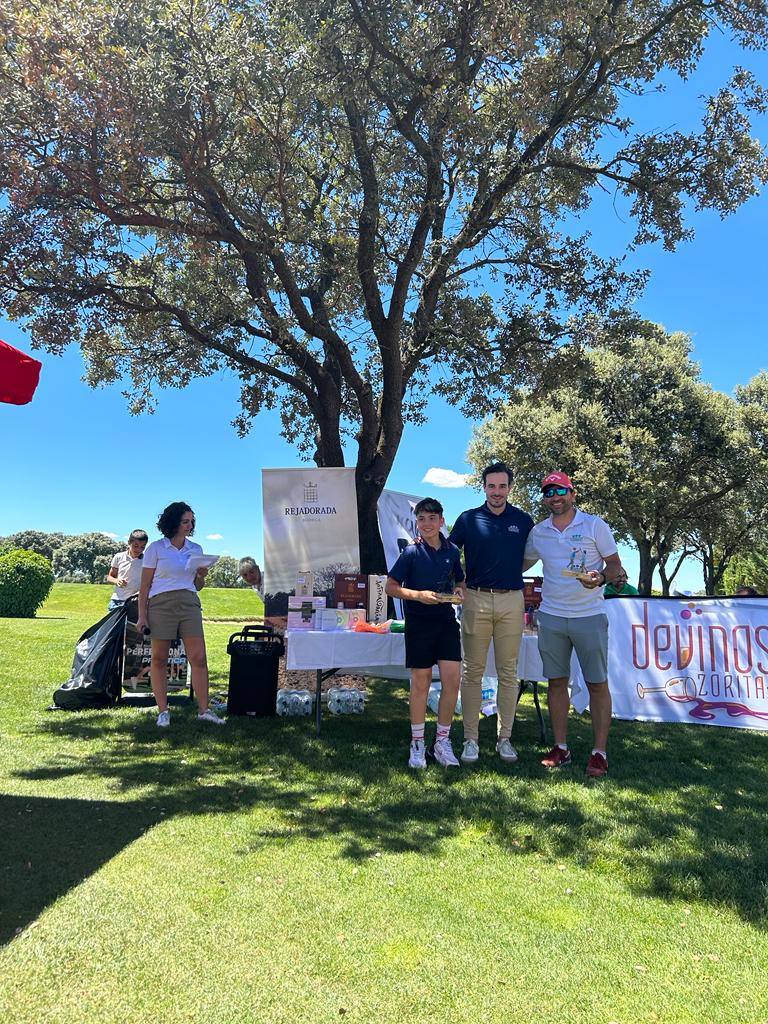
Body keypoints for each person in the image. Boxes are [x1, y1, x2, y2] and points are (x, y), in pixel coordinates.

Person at [523, 472, 624, 778]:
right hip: (551, 616)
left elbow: (615, 566)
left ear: (573, 493)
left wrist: (601, 578)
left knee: (596, 683)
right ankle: (561, 748)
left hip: (589, 616)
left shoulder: (594, 525)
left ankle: (599, 752)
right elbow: (520, 564)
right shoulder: (538, 532)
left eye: (560, 490)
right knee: (556, 682)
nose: (555, 496)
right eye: (548, 492)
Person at [449, 461, 534, 765]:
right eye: (491, 486)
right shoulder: (469, 519)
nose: (497, 492)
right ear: (483, 487)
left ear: (510, 487)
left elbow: (532, 556)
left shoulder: (524, 520)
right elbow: (449, 553)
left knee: (508, 673)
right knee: (472, 671)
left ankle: (505, 739)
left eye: (502, 486)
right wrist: (459, 582)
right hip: (476, 599)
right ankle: (470, 739)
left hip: (512, 601)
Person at [386, 498, 465, 769]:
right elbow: (391, 587)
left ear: (441, 520)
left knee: (452, 681)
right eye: (422, 519)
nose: (427, 524)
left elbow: (460, 580)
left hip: (446, 623)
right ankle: (417, 742)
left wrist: (459, 592)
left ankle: (442, 741)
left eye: (432, 518)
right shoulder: (410, 552)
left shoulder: (453, 551)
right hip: (418, 624)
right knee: (420, 682)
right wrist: (418, 595)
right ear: (416, 523)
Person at [137, 502, 224, 729]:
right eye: (185, 521)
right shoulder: (156, 548)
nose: (189, 525)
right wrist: (141, 616)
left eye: (192, 521)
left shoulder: (196, 549)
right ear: (173, 522)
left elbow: (198, 585)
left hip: (189, 603)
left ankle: (204, 711)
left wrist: (201, 575)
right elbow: (144, 586)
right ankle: (163, 711)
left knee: (198, 658)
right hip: (160, 604)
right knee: (159, 659)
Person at [106, 529, 148, 610]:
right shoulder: (119, 557)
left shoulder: (147, 560)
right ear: (129, 542)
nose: (139, 549)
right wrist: (117, 581)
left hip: (136, 602)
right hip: (117, 601)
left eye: (142, 547)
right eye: (135, 546)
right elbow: (110, 577)